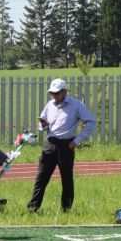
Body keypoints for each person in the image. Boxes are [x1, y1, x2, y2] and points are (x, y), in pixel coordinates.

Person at [27, 78, 96, 213]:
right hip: (50, 143)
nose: (54, 96)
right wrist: (43, 125)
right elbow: (42, 124)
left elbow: (91, 122)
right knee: (41, 177)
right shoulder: (49, 105)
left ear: (64, 92)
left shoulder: (76, 105)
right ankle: (32, 208)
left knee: (67, 178)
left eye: (57, 93)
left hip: (66, 145)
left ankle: (66, 209)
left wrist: (77, 141)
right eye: (52, 93)